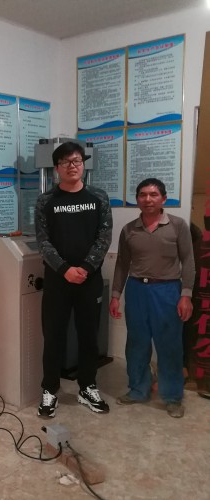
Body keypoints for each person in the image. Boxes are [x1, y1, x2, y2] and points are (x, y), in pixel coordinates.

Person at [35, 141, 112, 418]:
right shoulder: (46, 201)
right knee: (53, 336)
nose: (72, 166)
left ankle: (87, 387)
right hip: (57, 280)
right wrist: (65, 269)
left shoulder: (98, 197)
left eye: (77, 161)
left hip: (89, 280)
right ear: (57, 168)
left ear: (83, 164)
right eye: (66, 162)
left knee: (89, 336)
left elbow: (104, 237)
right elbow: (43, 241)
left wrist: (87, 267)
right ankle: (50, 389)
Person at [109, 178, 195, 418]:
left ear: (163, 199)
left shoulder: (177, 226)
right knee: (136, 343)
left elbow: (188, 261)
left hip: (167, 291)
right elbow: (122, 264)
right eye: (143, 195)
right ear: (137, 199)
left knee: (169, 345)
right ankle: (138, 389)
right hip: (137, 290)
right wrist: (115, 295)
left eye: (153, 194)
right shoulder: (129, 230)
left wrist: (186, 295)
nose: (148, 199)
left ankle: (172, 397)